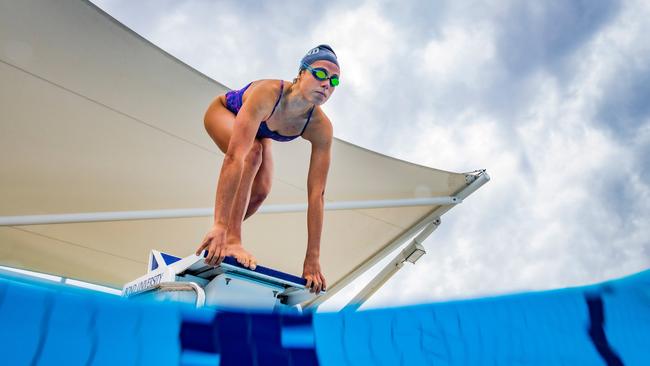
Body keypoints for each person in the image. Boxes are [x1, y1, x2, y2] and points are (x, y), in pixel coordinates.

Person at [195, 45, 340, 294]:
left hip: (260, 133)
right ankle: (231, 239)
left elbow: (317, 195)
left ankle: (227, 235)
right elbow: (234, 157)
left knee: (261, 191)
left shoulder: (320, 126)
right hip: (223, 112)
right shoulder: (268, 93)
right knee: (251, 154)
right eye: (320, 73)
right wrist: (220, 225)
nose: (327, 83)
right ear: (301, 74)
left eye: (334, 80)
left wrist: (312, 260)